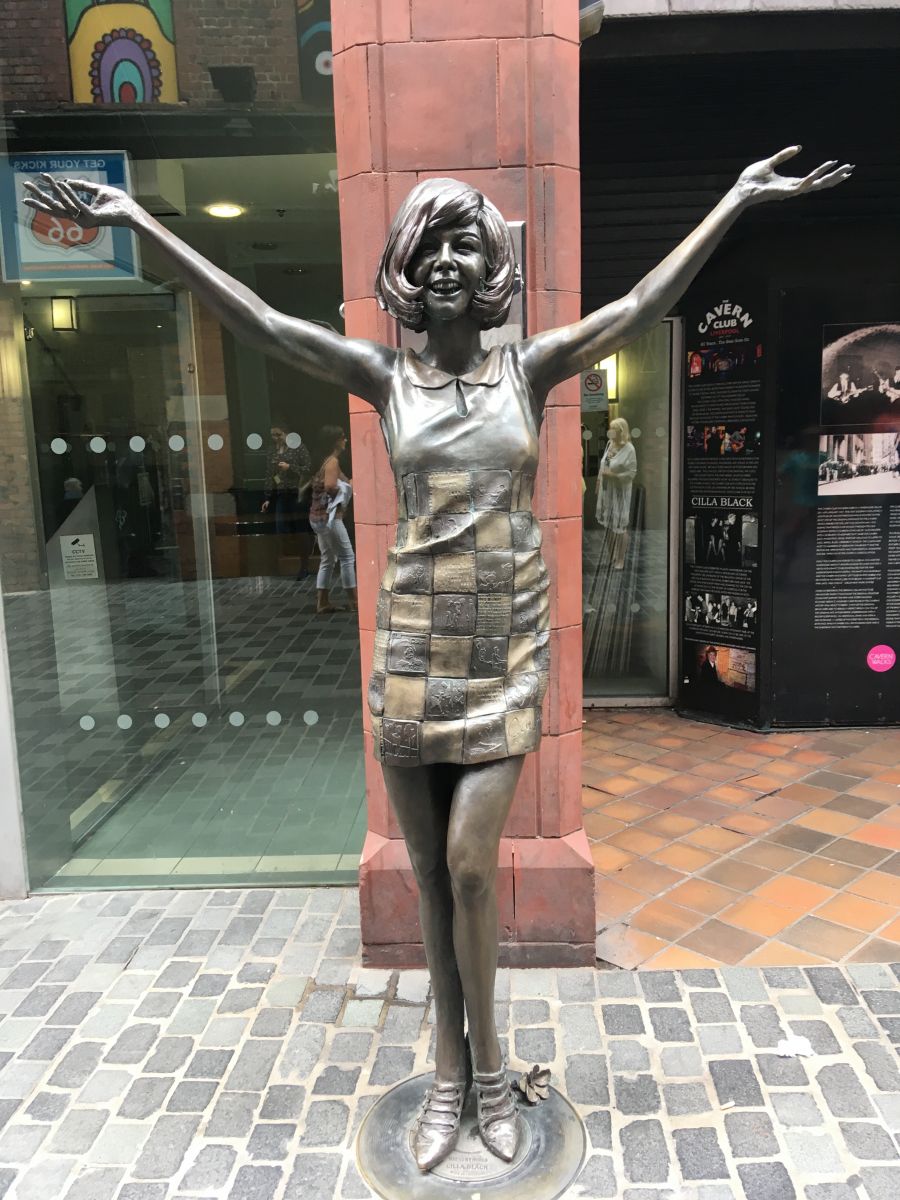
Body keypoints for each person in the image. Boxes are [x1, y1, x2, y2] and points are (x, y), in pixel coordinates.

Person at [24, 144, 851, 1174]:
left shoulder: (529, 369)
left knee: (468, 864)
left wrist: (731, 198)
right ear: (409, 269)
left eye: (465, 242)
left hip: (504, 643)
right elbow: (263, 322)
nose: (448, 260)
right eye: (430, 246)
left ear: (489, 262)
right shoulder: (384, 377)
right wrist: (141, 225)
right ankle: (449, 1069)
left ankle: (493, 1071)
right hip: (414, 642)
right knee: (425, 873)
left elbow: (641, 305)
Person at [308, 426, 357, 615]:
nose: (346, 440)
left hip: (318, 518)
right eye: (343, 437)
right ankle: (354, 601)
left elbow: (344, 480)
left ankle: (322, 602)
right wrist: (343, 491)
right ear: (335, 441)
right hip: (331, 518)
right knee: (347, 557)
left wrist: (348, 483)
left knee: (327, 558)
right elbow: (330, 485)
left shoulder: (326, 461)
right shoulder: (332, 462)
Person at [260, 426, 314, 579]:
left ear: (286, 433)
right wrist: (267, 497)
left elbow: (308, 469)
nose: (276, 438)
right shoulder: (272, 451)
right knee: (281, 528)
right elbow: (269, 474)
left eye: (279, 434)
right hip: (282, 493)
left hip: (297, 493)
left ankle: (304, 566)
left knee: (300, 529)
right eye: (273, 435)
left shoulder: (298, 447)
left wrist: (290, 467)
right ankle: (296, 555)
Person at [595, 417, 637, 569]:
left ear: (621, 431)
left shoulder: (629, 449)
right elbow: (603, 465)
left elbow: (632, 473)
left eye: (614, 429)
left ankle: (620, 559)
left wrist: (614, 476)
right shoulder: (610, 444)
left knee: (620, 526)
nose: (610, 431)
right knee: (609, 526)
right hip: (607, 491)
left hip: (620, 492)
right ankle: (612, 555)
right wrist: (598, 482)